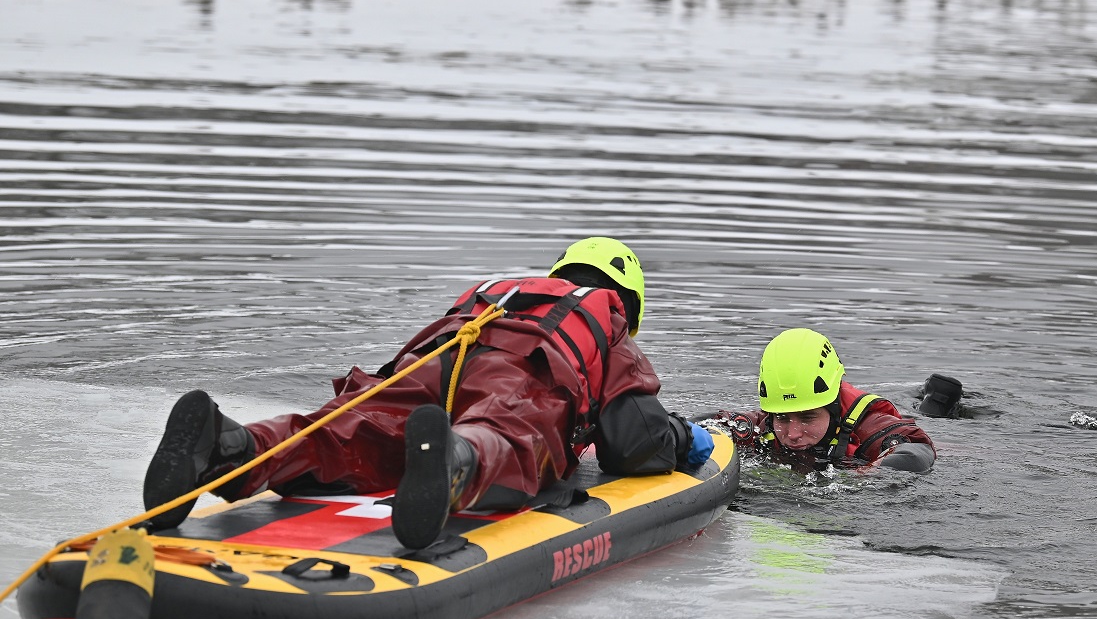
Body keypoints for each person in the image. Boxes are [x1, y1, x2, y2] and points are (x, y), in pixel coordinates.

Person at [142, 237, 715, 549]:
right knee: (508, 438)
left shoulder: (505, 291)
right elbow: (633, 440)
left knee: (346, 430)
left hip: (433, 365)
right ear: (629, 303)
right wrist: (682, 439)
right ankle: (456, 464)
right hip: (523, 376)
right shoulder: (603, 318)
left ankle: (231, 444)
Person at [708, 328, 936, 473]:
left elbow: (915, 455)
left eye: (807, 417)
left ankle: (937, 402)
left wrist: (870, 472)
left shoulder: (869, 425)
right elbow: (710, 425)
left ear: (834, 406)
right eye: (782, 418)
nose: (793, 433)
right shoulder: (764, 425)